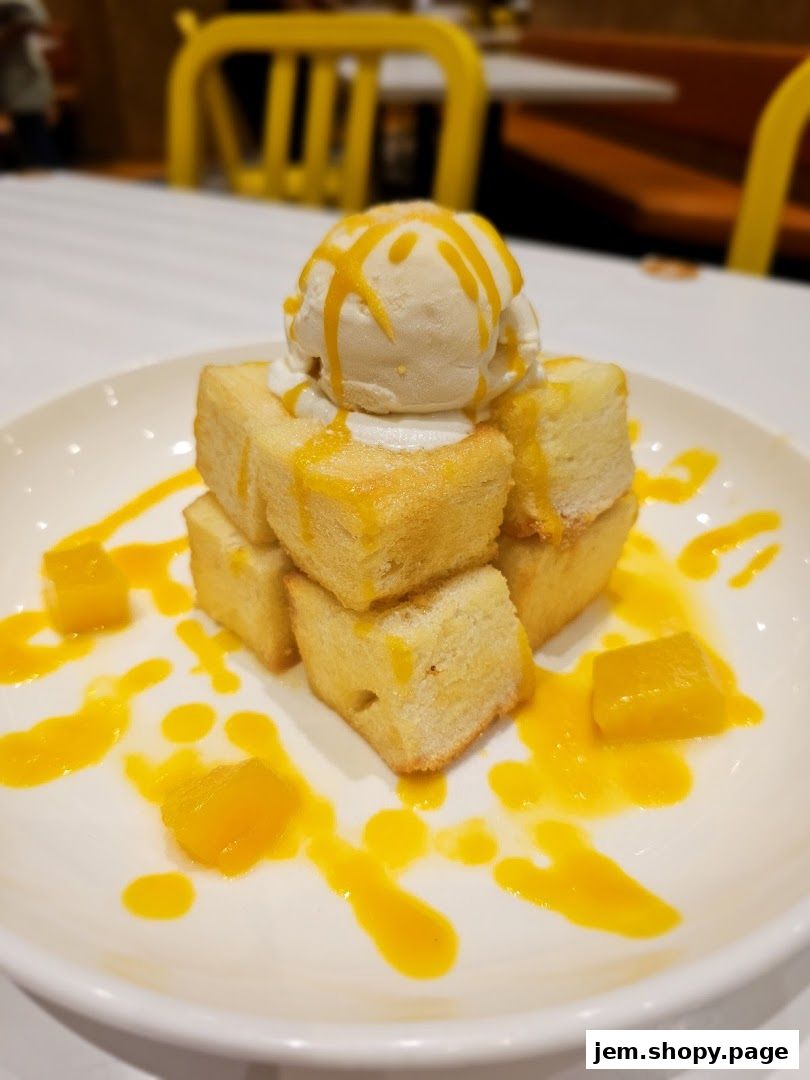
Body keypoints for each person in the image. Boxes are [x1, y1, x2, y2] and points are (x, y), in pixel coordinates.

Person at [0, 0, 56, 168]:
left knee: (31, 130)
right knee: (27, 132)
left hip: (21, 72)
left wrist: (5, 37)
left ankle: (47, 175)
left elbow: (34, 18)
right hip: (13, 71)